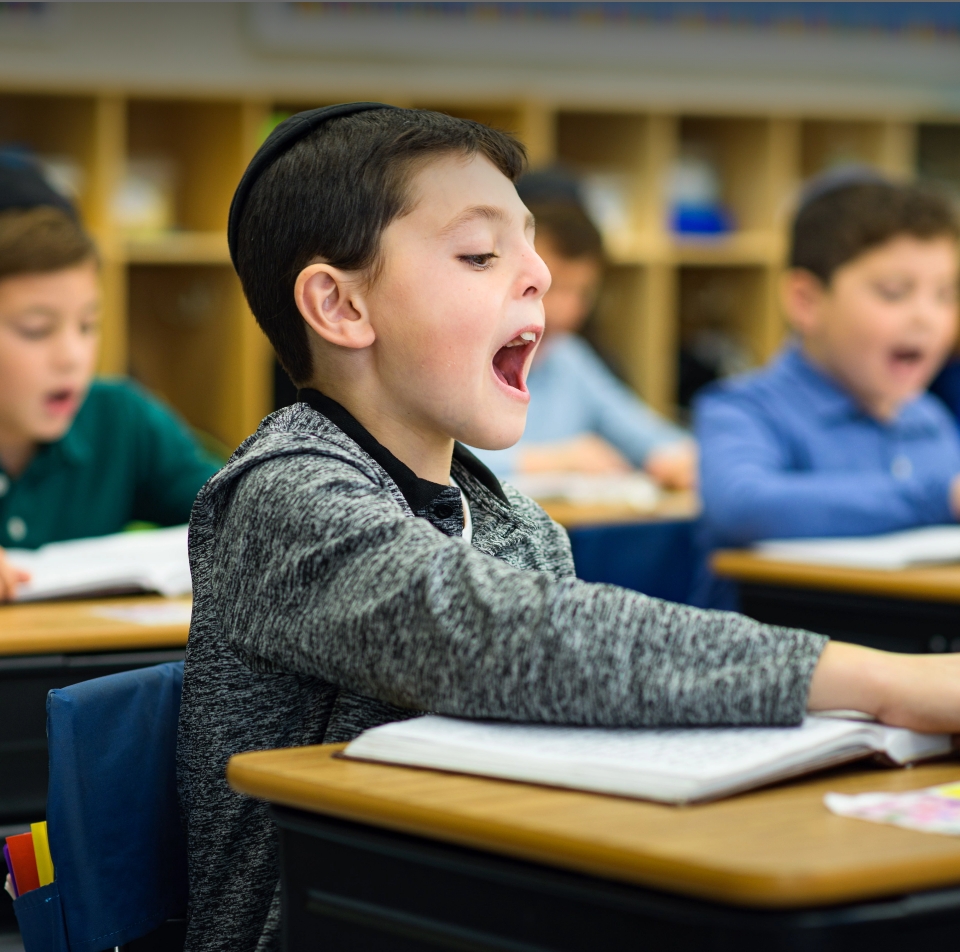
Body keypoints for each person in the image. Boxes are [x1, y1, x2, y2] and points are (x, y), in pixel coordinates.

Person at [177, 106, 960, 952]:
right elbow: (491, 633)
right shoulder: (279, 497)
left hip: (483, 899)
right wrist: (885, 682)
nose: (540, 276)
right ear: (339, 304)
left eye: (531, 247)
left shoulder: (518, 525)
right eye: (481, 254)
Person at [693, 170, 960, 607]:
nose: (926, 317)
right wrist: (940, 497)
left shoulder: (927, 417)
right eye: (894, 293)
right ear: (807, 301)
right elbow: (744, 506)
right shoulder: (742, 409)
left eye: (946, 294)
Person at [0, 155, 221, 600]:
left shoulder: (120, 417)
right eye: (36, 330)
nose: (72, 358)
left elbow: (240, 515)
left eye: (87, 325)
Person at [470, 188, 696, 488]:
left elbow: (646, 434)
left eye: (583, 293)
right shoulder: (465, 352)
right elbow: (426, 459)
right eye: (556, 286)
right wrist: (553, 462)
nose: (566, 311)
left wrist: (680, 458)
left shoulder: (567, 356)